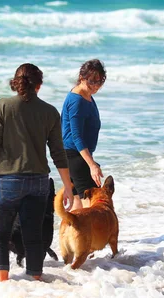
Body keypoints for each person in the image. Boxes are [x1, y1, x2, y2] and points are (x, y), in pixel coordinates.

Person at [0, 63, 74, 282]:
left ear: (16, 83)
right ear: (39, 86)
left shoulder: (3, 106)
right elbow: (58, 152)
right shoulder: (49, 112)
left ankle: (2, 287)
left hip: (7, 181)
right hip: (38, 182)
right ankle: (35, 285)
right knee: (33, 237)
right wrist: (67, 186)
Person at [61, 59, 107, 211]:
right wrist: (92, 165)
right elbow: (76, 136)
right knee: (91, 207)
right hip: (75, 156)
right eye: (92, 81)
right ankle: (89, 235)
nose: (96, 86)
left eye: (99, 82)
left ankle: (69, 235)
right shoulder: (77, 100)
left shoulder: (86, 95)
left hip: (75, 155)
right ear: (82, 78)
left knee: (78, 206)